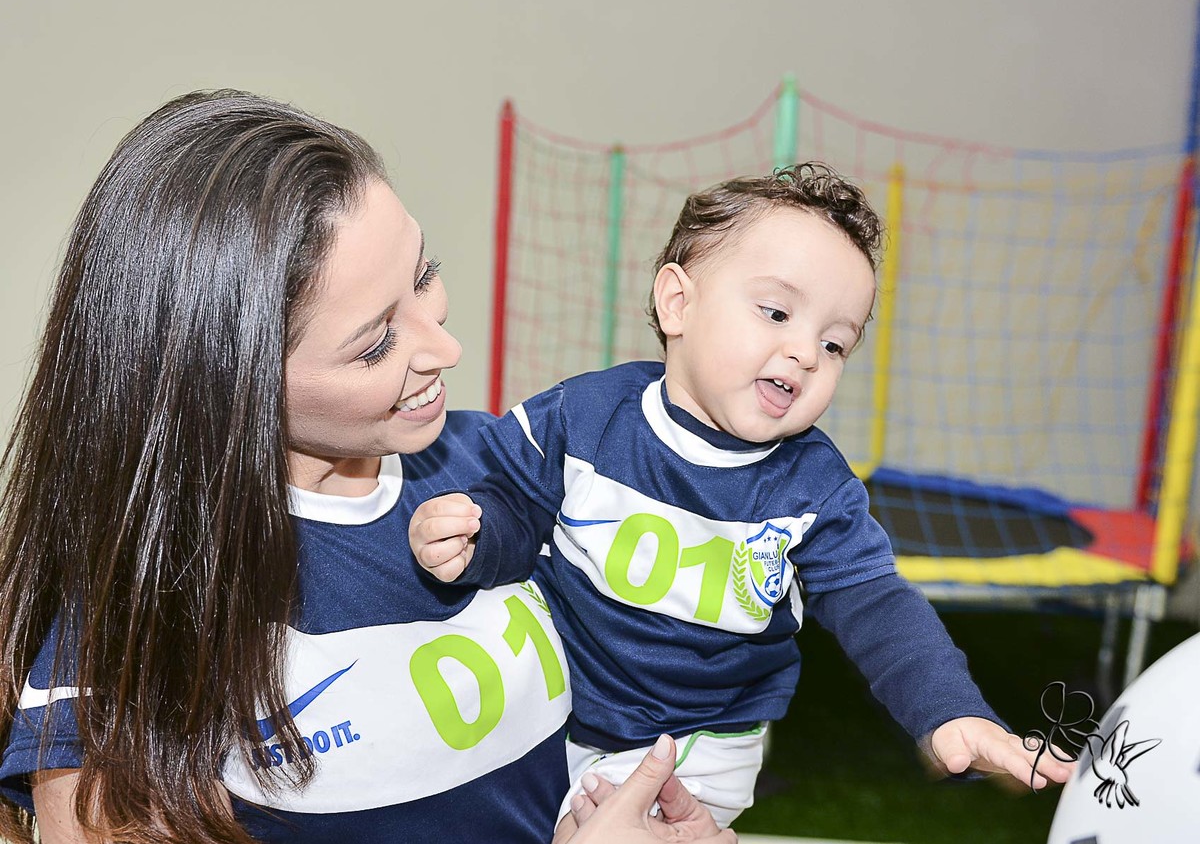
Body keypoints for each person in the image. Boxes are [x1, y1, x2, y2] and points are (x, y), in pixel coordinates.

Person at [0, 89, 731, 844]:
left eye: (424, 274)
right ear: (227, 383)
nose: (445, 348)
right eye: (375, 343)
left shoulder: (499, 467)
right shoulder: (145, 615)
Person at [410, 163, 1076, 830]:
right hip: (555, 704)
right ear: (678, 304)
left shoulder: (813, 489)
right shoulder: (584, 417)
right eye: (777, 312)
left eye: (834, 343)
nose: (806, 353)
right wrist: (474, 540)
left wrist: (950, 707)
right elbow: (514, 507)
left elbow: (876, 605)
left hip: (697, 745)